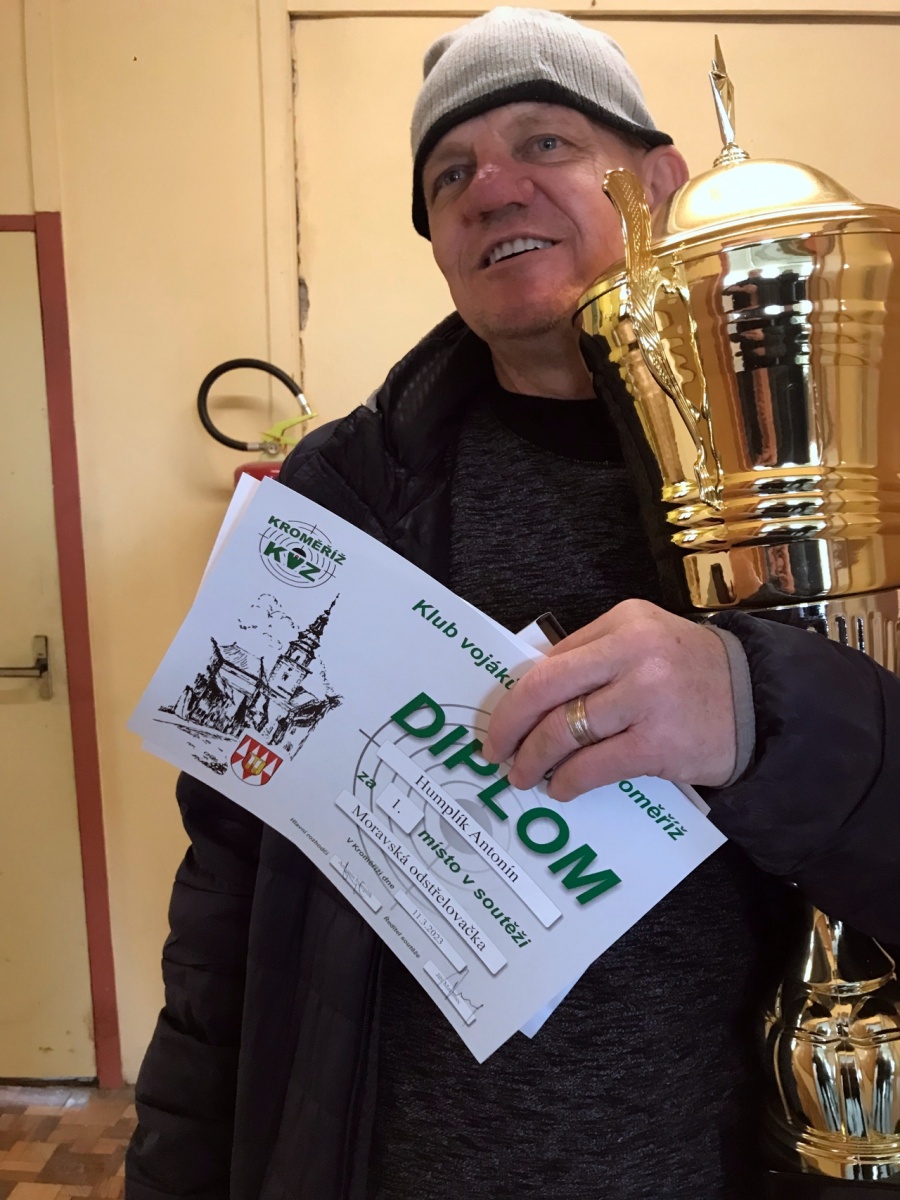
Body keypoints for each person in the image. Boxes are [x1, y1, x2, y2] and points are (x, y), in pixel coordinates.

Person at [126, 9, 900, 1200]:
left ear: (657, 181)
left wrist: (763, 711)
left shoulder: (852, 456)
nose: (492, 188)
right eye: (450, 175)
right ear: (440, 242)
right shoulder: (336, 500)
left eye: (545, 142)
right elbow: (227, 907)